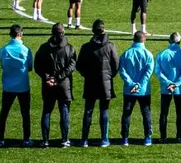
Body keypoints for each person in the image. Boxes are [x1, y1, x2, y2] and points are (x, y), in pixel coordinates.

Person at [77, 20, 119, 148]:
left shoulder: (86, 47)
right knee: (104, 110)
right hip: (105, 82)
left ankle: (84, 139)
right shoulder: (110, 46)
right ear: (104, 30)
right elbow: (116, 65)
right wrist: (109, 76)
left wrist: (87, 75)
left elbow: (79, 66)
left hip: (90, 82)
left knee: (88, 110)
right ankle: (104, 139)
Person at [34, 22, 76, 148]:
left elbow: (38, 66)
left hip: (48, 85)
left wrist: (48, 77)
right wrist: (58, 77)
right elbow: (71, 66)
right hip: (64, 84)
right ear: (63, 33)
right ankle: (64, 139)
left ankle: (45, 140)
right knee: (64, 110)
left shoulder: (44, 48)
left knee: (47, 111)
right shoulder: (69, 48)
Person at [0, 24, 33, 148]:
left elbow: (3, 65)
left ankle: (0, 139)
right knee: (25, 113)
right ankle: (26, 139)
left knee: (4, 112)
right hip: (23, 85)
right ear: (21, 34)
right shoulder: (26, 50)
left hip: (8, 86)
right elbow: (30, 67)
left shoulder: (4, 50)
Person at [119, 32, 155, 146]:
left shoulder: (125, 54)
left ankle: (125, 138)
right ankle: (147, 137)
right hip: (144, 90)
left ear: (133, 40)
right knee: (146, 113)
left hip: (129, 90)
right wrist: (139, 85)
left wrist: (131, 84)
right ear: (144, 40)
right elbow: (148, 73)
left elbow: (122, 71)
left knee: (127, 114)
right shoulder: (148, 54)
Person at [155, 32, 181, 143]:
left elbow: (158, 72)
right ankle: (179, 136)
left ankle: (163, 137)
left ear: (169, 41)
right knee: (179, 112)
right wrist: (176, 84)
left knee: (164, 112)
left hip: (166, 88)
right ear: (180, 41)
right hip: (179, 89)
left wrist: (168, 83)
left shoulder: (162, 54)